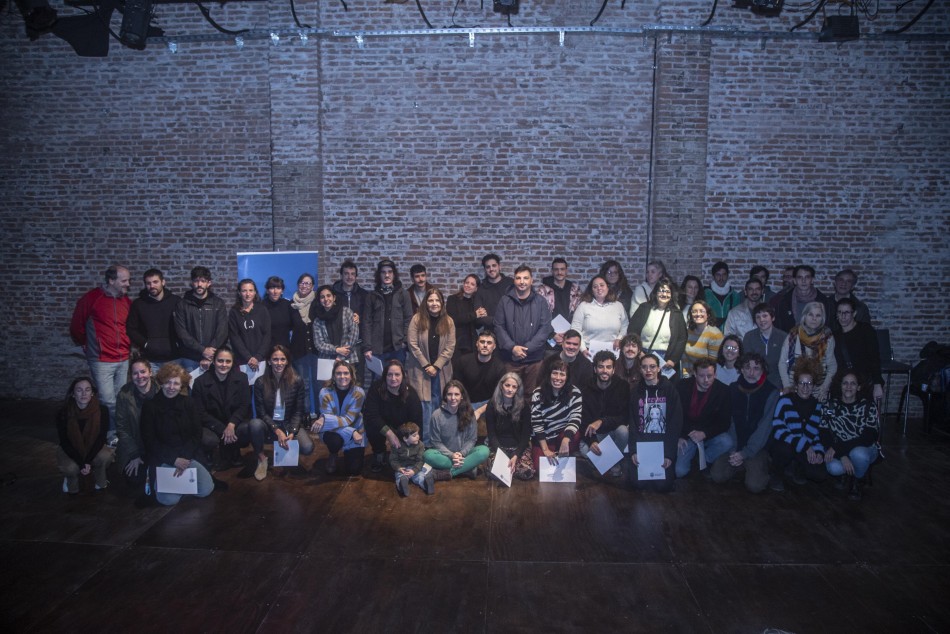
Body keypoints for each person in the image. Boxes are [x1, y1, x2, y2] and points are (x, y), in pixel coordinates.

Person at [70, 265, 132, 434]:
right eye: (124, 280)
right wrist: (86, 343)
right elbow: (76, 326)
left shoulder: (125, 300)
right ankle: (111, 433)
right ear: (111, 280)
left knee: (120, 400)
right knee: (107, 400)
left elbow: (129, 326)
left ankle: (121, 432)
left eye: (128, 280)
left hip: (123, 358)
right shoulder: (91, 299)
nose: (128, 284)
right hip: (101, 360)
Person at [141, 363, 214, 505]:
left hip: (187, 457)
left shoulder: (189, 403)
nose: (171, 387)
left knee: (206, 489)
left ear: (181, 386)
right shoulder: (150, 406)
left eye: (176, 383)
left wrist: (185, 458)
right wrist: (174, 460)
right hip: (163, 458)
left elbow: (196, 433)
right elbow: (149, 440)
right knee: (168, 500)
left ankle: (181, 485)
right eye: (168, 382)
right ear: (161, 383)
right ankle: (181, 485)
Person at [710, 352, 780, 493]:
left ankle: (757, 466)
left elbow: (764, 427)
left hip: (757, 447)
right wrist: (734, 449)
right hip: (734, 445)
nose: (751, 372)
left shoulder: (771, 392)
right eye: (747, 367)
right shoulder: (733, 389)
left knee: (755, 486)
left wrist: (746, 452)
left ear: (762, 370)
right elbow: (730, 421)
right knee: (717, 476)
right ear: (741, 369)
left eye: (756, 368)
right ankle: (740, 466)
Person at [249, 346, 313, 481]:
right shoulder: (260, 382)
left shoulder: (297, 380)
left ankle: (286, 453)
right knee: (255, 424)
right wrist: (277, 430)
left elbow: (298, 410)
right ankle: (262, 458)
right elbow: (261, 413)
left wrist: (292, 431)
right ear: (269, 361)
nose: (279, 363)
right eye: (275, 359)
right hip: (269, 423)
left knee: (308, 447)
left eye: (282, 359)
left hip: (289, 422)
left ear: (287, 361)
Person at [768, 357, 829, 492]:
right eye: (801, 383)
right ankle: (776, 474)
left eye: (809, 383)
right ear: (796, 385)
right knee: (783, 449)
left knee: (820, 475)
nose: (805, 387)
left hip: (806, 447)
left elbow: (817, 434)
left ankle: (798, 467)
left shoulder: (818, 406)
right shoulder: (785, 400)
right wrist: (802, 444)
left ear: (814, 385)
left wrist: (819, 451)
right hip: (786, 443)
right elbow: (778, 428)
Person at [406, 287, 456, 442]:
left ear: (441, 302)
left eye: (437, 300)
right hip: (421, 372)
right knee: (424, 407)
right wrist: (426, 365)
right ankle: (426, 443)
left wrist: (436, 366)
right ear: (425, 303)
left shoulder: (448, 321)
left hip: (441, 372)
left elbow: (450, 347)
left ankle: (439, 441)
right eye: (430, 300)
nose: (434, 303)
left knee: (440, 405)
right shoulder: (417, 319)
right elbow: (412, 344)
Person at [190, 346, 252, 470]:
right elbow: (200, 412)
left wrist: (231, 424)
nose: (224, 364)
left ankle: (234, 452)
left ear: (233, 363)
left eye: (228, 361)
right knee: (208, 440)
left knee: (247, 428)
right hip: (212, 425)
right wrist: (223, 428)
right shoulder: (200, 382)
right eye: (220, 361)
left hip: (234, 423)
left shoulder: (242, 378)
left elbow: (244, 405)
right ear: (213, 361)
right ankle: (211, 455)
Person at [627, 354, 683, 492]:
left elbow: (675, 423)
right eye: (644, 367)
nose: (648, 370)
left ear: (658, 369)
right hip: (643, 445)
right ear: (640, 369)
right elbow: (633, 424)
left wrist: (669, 454)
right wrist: (634, 450)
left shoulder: (670, 390)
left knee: (663, 487)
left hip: (663, 445)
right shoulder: (635, 392)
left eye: (652, 366)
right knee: (637, 485)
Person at [494, 265, 553, 395]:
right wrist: (512, 348)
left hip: (535, 360)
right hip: (511, 359)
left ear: (531, 280)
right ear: (514, 280)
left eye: (525, 278)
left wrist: (527, 349)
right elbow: (499, 326)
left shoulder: (540, 301)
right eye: (518, 278)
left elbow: (545, 328)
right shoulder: (504, 301)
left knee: (532, 396)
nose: (522, 281)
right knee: (509, 394)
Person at [821, 371, 880, 500]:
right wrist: (842, 455)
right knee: (833, 467)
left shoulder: (868, 406)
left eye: (853, 383)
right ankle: (850, 471)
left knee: (858, 454)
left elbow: (869, 437)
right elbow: (824, 433)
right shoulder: (830, 406)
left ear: (859, 387)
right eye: (845, 383)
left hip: (864, 448)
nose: (848, 386)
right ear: (840, 386)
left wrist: (840, 450)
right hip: (840, 449)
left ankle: (857, 480)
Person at [674, 359, 733, 478]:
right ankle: (694, 457)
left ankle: (704, 460)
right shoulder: (682, 386)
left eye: (710, 376)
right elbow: (675, 414)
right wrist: (679, 435)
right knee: (679, 472)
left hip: (708, 433)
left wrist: (705, 433)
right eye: (701, 376)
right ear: (694, 374)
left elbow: (724, 422)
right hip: (687, 433)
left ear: (715, 375)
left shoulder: (723, 391)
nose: (706, 380)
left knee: (727, 441)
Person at [362, 359, 423, 473]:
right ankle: (379, 453)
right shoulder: (376, 389)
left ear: (403, 376)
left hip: (402, 427)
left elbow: (416, 423)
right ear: (384, 376)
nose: (393, 378)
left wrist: (416, 446)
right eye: (390, 374)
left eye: (397, 374)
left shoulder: (412, 395)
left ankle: (403, 454)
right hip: (382, 424)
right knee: (371, 424)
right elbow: (371, 414)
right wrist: (389, 433)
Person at [56, 377, 114, 494]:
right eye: (79, 390)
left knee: (106, 456)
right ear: (73, 394)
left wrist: (87, 461)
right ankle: (70, 479)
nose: (84, 393)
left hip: (93, 447)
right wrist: (81, 462)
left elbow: (101, 438)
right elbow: (65, 441)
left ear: (92, 393)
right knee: (71, 468)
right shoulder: (63, 413)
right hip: (71, 449)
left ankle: (99, 477)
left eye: (87, 390)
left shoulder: (102, 411)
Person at [424, 380, 490, 480]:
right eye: (449, 394)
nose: (453, 398)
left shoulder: (469, 413)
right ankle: (467, 469)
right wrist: (452, 455)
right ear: (445, 396)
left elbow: (472, 439)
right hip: (445, 456)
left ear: (461, 396)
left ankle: (449, 473)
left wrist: (461, 453)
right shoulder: (436, 415)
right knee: (427, 455)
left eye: (456, 394)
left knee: (484, 451)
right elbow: (435, 442)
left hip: (465, 454)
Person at [579, 351, 630, 478]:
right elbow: (582, 420)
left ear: (613, 369)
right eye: (601, 367)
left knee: (623, 431)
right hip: (593, 434)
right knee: (585, 451)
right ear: (595, 369)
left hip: (613, 433)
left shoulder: (622, 386)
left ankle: (611, 462)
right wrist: (592, 442)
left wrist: (602, 421)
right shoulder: (585, 388)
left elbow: (624, 417)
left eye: (608, 367)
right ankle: (609, 462)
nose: (604, 371)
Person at [312, 360, 366, 476]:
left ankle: (349, 451)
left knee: (354, 470)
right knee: (334, 441)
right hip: (335, 432)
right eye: (338, 373)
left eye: (346, 373)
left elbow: (348, 420)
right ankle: (333, 453)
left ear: (351, 376)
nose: (342, 376)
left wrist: (325, 420)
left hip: (354, 427)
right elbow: (329, 424)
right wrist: (352, 432)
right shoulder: (324, 393)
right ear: (333, 376)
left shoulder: (359, 393)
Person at [365, 259, 414, 379]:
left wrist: (404, 341)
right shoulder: (372, 296)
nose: (387, 275)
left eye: (390, 272)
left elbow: (408, 318)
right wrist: (367, 347)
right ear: (379, 275)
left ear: (394, 274)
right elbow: (367, 322)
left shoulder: (403, 294)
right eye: (383, 272)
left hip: (397, 348)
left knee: (397, 381)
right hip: (377, 350)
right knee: (378, 383)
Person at [778, 301, 837, 401]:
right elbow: (782, 363)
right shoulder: (793, 334)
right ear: (805, 316)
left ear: (822, 318)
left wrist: (824, 387)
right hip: (794, 389)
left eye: (818, 315)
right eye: (811, 314)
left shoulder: (827, 337)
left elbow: (832, 366)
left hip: (816, 390)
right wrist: (787, 386)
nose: (814, 319)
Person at [174, 266, 229, 373]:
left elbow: (222, 330)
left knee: (213, 388)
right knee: (192, 388)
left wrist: (210, 352)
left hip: (213, 356)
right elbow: (181, 333)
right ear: (191, 283)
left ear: (209, 283)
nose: (199, 284)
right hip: (190, 357)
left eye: (203, 281)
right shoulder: (182, 304)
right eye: (196, 281)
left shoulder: (218, 303)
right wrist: (202, 350)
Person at [530, 358, 583, 470]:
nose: (558, 378)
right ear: (549, 375)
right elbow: (536, 424)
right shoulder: (538, 393)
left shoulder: (575, 393)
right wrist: (545, 449)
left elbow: (575, 418)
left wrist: (566, 439)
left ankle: (566, 454)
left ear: (567, 377)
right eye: (555, 373)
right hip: (543, 438)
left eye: (562, 374)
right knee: (539, 468)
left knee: (576, 435)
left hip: (562, 436)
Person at [628, 277, 686, 377]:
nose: (664, 294)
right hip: (643, 354)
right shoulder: (644, 308)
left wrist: (673, 360)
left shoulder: (677, 313)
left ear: (671, 295)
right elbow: (632, 331)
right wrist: (638, 352)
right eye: (661, 291)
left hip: (664, 359)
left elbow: (681, 339)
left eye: (668, 292)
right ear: (656, 292)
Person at [126, 268, 181, 373]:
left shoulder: (176, 302)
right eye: (148, 283)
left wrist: (178, 343)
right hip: (150, 359)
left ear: (163, 282)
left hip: (174, 358)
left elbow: (184, 326)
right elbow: (131, 329)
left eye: (155, 282)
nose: (152, 286)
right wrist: (146, 344)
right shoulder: (138, 304)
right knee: (153, 389)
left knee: (173, 389)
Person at [483, 372, 535, 482]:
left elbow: (526, 435)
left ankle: (512, 469)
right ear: (501, 386)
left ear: (518, 389)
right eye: (507, 385)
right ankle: (510, 470)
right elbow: (491, 434)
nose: (510, 389)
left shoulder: (524, 406)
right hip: (497, 447)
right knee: (493, 473)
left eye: (514, 386)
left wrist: (516, 455)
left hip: (518, 447)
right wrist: (502, 454)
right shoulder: (491, 405)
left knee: (527, 473)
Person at [115, 358, 158, 488]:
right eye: (135, 373)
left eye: (143, 372)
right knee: (135, 479)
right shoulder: (124, 394)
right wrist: (134, 455)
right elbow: (122, 428)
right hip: (135, 446)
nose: (140, 376)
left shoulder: (162, 390)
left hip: (157, 447)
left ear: (150, 372)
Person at [833, 297, 884, 403]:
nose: (843, 316)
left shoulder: (866, 330)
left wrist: (877, 384)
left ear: (854, 313)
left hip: (863, 385)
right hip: (843, 386)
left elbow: (874, 358)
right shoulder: (835, 336)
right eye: (840, 312)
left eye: (847, 312)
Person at [570, 276, 628, 357]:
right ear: (592, 290)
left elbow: (625, 325)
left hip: (613, 352)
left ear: (608, 287)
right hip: (589, 352)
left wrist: (620, 338)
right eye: (595, 286)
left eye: (602, 285)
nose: (599, 288)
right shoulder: (583, 306)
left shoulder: (618, 305)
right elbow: (575, 329)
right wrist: (583, 349)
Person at [454, 330, 507, 417]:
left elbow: (499, 396)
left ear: (494, 347)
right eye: (482, 342)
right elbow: (456, 388)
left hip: (488, 404)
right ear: (477, 344)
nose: (485, 345)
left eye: (489, 343)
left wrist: (479, 411)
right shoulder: (463, 361)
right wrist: (465, 406)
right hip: (466, 402)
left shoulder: (499, 367)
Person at [771, 265, 835, 333]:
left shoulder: (824, 302)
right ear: (794, 281)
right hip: (791, 341)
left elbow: (828, 326)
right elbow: (779, 328)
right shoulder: (784, 302)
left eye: (807, 277)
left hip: (818, 341)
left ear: (812, 280)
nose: (803, 281)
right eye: (799, 277)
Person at [290, 273, 320, 415]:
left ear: (312, 286)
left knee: (319, 385)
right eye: (302, 282)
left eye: (308, 283)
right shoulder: (291, 305)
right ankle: (306, 415)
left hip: (317, 351)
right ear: (297, 285)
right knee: (304, 385)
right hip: (299, 351)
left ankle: (321, 415)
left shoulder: (318, 302)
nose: (304, 285)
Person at [228, 279, 271, 374]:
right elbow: (235, 337)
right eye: (244, 291)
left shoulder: (262, 310)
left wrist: (258, 357)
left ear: (255, 292)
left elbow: (267, 335)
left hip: (261, 359)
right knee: (243, 388)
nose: (248, 294)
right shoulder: (234, 312)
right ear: (239, 293)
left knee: (261, 388)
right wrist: (248, 358)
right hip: (242, 360)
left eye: (251, 290)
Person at [537, 258, 582, 349]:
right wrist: (552, 334)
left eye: (562, 269)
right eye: (556, 269)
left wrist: (570, 333)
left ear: (566, 271)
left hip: (570, 335)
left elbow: (579, 314)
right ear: (552, 271)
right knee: (550, 361)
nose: (559, 272)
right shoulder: (543, 290)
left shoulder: (575, 290)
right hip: (549, 336)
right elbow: (538, 315)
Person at [311, 284, 360, 366]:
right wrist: (336, 350)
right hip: (326, 360)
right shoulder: (317, 320)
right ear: (319, 300)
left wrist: (341, 355)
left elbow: (353, 335)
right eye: (322, 297)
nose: (326, 299)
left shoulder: (347, 312)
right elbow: (319, 344)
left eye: (328, 296)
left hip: (348, 357)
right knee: (327, 380)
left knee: (348, 379)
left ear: (334, 298)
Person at [742, 303, 786, 391]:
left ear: (772, 318)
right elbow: (748, 363)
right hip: (755, 383)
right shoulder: (749, 337)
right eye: (758, 317)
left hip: (779, 385)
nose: (761, 320)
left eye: (765, 316)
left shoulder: (784, 337)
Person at [446, 274, 484, 363]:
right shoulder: (452, 299)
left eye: (472, 284)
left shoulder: (476, 302)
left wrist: (482, 316)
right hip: (456, 343)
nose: (468, 285)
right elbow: (453, 320)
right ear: (463, 284)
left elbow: (477, 326)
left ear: (476, 288)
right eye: (467, 282)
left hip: (471, 344)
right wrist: (474, 315)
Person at [390, 422, 435, 496]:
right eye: (414, 435)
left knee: (420, 476)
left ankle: (426, 484)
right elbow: (393, 459)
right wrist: (398, 468)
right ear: (405, 438)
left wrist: (414, 471)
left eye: (418, 434)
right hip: (402, 468)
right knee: (399, 476)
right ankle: (402, 486)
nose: (418, 437)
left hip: (415, 466)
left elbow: (420, 460)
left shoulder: (420, 445)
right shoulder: (397, 446)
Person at [262, 276, 305, 352]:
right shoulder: (261, 306)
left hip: (285, 348)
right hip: (265, 349)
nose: (275, 291)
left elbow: (297, 325)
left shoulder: (288, 305)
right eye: (272, 288)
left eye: (278, 288)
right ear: (267, 290)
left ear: (282, 291)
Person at [682, 300, 723, 378]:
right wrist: (686, 376)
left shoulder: (715, 334)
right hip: (691, 376)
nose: (698, 314)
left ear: (708, 314)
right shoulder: (689, 332)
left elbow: (712, 364)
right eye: (694, 311)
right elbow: (685, 358)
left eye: (701, 311)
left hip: (707, 378)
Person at [473, 253, 513, 329]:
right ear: (485, 269)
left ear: (499, 266)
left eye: (494, 265)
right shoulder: (481, 289)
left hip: (511, 331)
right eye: (488, 267)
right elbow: (479, 316)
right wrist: (499, 321)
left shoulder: (510, 283)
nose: (491, 269)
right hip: (490, 333)